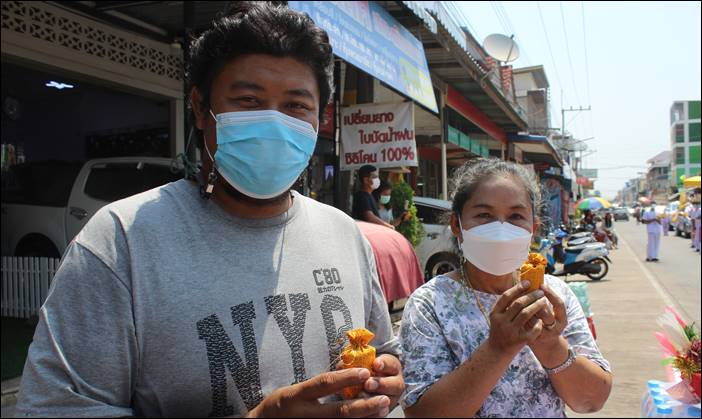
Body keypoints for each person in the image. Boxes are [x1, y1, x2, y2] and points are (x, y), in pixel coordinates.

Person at [16, 3, 403, 417]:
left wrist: (387, 374)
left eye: (295, 106)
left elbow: (382, 350)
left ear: (317, 118)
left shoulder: (343, 233)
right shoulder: (120, 243)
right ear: (201, 109)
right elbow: (54, 409)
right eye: (248, 100)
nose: (272, 124)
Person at [398, 158, 612, 417]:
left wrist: (551, 345)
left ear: (533, 229)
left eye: (515, 216)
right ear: (457, 225)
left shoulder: (553, 295)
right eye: (484, 215)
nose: (500, 229)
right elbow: (423, 413)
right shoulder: (429, 303)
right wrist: (498, 348)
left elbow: (591, 400)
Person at [352, 165, 394, 229]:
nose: (377, 179)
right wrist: (387, 226)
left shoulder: (369, 195)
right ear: (366, 180)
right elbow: (370, 217)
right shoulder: (362, 196)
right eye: (374, 177)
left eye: (377, 177)